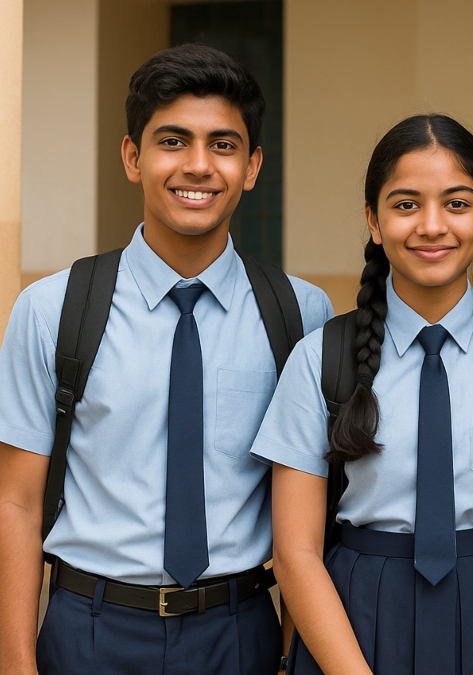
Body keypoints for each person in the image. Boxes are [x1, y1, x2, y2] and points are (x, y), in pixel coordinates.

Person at [0, 44, 333, 674]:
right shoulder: (52, 311)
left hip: (240, 631)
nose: (199, 166)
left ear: (254, 166)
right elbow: (14, 502)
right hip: (89, 630)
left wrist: (295, 647)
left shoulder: (300, 315)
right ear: (133, 157)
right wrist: (16, 662)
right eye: (173, 141)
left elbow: (312, 513)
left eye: (224, 145)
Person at [252, 113, 473, 675]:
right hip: (355, 616)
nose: (432, 226)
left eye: (457, 203)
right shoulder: (321, 357)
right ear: (373, 221)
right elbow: (295, 552)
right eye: (405, 205)